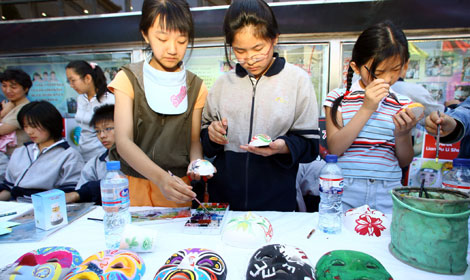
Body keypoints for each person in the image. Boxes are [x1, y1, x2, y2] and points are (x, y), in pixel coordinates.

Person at [201, 0, 319, 211]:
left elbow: (310, 146)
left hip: (277, 205)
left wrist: (282, 147)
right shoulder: (221, 84)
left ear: (274, 39)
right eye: (240, 50)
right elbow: (204, 142)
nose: (250, 59)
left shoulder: (297, 80)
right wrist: (212, 134)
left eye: (258, 48)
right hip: (225, 204)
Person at [108, 0, 208, 207]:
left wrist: (197, 164)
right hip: (133, 186)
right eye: (162, 38)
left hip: (178, 188)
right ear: (145, 34)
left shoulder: (196, 86)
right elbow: (123, 141)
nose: (172, 49)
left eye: (181, 41)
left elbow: (193, 141)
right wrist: (161, 178)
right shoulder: (128, 78)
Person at [325, 21, 420, 214]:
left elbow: (404, 161)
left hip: (387, 189)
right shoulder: (337, 98)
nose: (386, 79)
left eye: (395, 69)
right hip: (347, 188)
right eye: (378, 72)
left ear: (405, 65)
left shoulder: (403, 103)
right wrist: (367, 107)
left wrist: (403, 135)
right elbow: (335, 148)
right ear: (356, 67)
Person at [0, 101, 84, 201]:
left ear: (50, 123)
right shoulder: (21, 151)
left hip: (49, 206)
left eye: (34, 126)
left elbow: (69, 192)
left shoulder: (69, 155)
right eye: (25, 126)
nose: (29, 131)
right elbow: (8, 188)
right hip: (17, 206)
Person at [66, 60, 115, 162]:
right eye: (69, 81)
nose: (71, 85)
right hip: (83, 154)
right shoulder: (80, 99)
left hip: (103, 156)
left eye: (73, 80)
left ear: (88, 78)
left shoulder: (110, 100)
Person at [65, 105, 114, 204]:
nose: (102, 136)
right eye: (98, 131)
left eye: (108, 128)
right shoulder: (96, 162)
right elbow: (80, 192)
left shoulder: (138, 157)